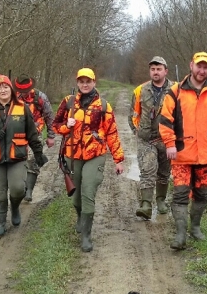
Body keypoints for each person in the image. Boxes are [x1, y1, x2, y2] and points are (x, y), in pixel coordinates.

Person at [159, 52, 207, 250]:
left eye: (205, 67)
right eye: (198, 66)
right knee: (181, 195)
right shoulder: (175, 91)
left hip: (206, 154)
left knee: (202, 194)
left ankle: (196, 227)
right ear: (191, 65)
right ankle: (181, 234)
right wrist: (170, 144)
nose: (201, 71)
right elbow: (165, 121)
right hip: (181, 155)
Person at [52, 68, 125, 252]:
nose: (85, 84)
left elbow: (112, 133)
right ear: (77, 83)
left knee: (88, 192)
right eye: (81, 81)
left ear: (94, 82)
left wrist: (118, 159)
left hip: (95, 155)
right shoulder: (68, 103)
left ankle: (86, 235)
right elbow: (54, 125)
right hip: (72, 155)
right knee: (76, 198)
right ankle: (80, 217)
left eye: (88, 81)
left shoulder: (103, 106)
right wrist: (64, 127)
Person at [0, 75, 48, 238]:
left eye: (5, 87)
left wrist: (38, 153)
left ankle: (14, 207)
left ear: (10, 88)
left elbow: (32, 133)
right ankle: (0, 223)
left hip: (17, 156)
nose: (2, 90)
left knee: (18, 189)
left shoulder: (22, 107)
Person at [128, 56, 174, 220]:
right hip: (146, 139)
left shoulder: (176, 90)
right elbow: (134, 114)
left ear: (165, 71)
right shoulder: (140, 90)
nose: (156, 72)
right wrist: (136, 131)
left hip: (166, 139)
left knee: (164, 172)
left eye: (159, 69)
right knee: (147, 170)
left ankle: (161, 201)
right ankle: (146, 205)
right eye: (153, 69)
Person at [13, 74, 56, 202]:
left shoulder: (40, 97)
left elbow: (49, 116)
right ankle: (20, 188)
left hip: (35, 134)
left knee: (33, 160)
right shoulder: (13, 97)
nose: (24, 93)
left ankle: (29, 191)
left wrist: (51, 136)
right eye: (21, 90)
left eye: (26, 90)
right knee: (17, 162)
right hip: (16, 135)